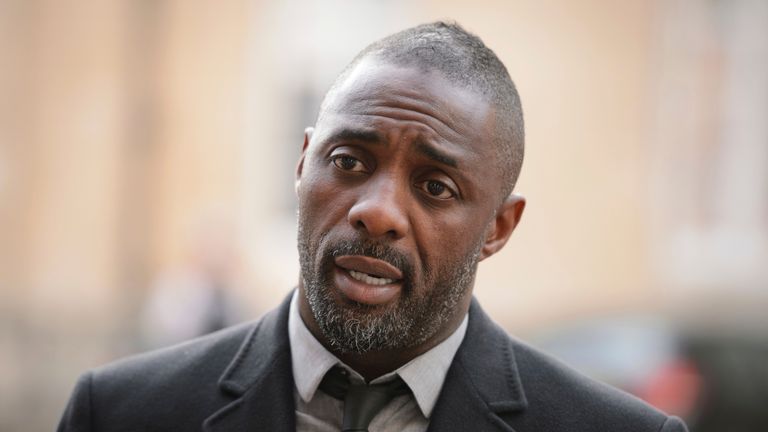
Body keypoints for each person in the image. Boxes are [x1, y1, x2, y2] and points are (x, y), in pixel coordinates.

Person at [58, 22, 688, 432]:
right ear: (303, 163)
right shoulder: (119, 414)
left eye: (436, 186)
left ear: (498, 227)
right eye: (349, 161)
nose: (377, 212)